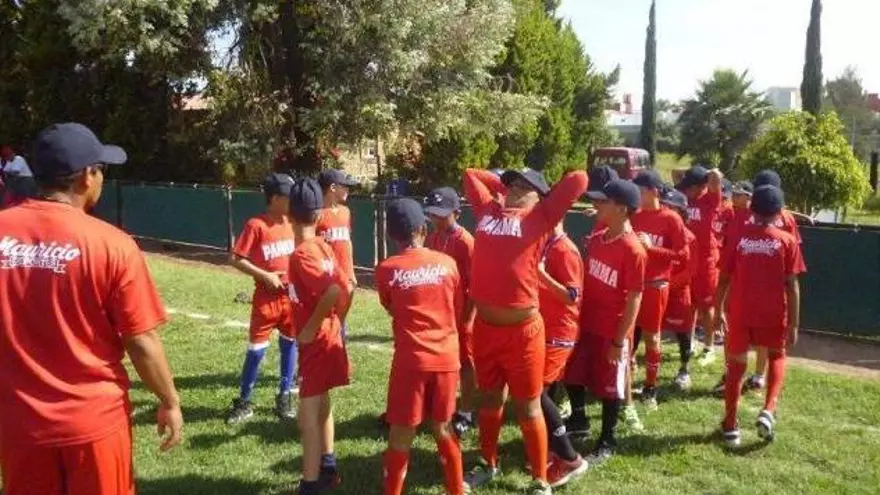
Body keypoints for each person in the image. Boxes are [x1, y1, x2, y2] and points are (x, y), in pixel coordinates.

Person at [0, 122, 183, 494]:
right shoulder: (112, 244)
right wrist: (170, 401)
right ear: (87, 176)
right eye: (101, 169)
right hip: (93, 424)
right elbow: (142, 341)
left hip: (19, 425)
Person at [462, 167, 588, 494]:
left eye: (524, 186)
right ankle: (488, 463)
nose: (516, 190)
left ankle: (539, 478)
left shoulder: (541, 217)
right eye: (512, 185)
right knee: (489, 400)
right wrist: (502, 179)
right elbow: (469, 175)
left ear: (540, 196)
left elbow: (579, 180)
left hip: (523, 333)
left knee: (528, 406)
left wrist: (541, 196)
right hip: (486, 329)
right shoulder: (489, 210)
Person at [377, 198, 466, 495]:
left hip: (411, 362)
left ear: (392, 235)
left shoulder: (387, 269)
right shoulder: (448, 263)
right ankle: (455, 489)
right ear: (422, 228)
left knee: (401, 434)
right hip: (445, 358)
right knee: (443, 427)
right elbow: (456, 306)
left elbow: (391, 307)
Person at [563, 179, 646, 465]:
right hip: (586, 324)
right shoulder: (598, 240)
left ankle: (608, 439)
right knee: (573, 375)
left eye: (604, 201)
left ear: (622, 209)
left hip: (612, 330)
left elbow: (635, 298)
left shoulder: (633, 249)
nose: (597, 205)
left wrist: (619, 341)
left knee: (610, 388)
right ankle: (579, 418)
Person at [714, 185, 802, 446]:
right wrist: (795, 324)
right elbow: (793, 285)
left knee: (736, 366)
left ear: (752, 209)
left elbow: (723, 279)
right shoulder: (786, 240)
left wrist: (718, 310)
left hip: (740, 311)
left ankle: (730, 426)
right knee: (776, 356)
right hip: (773, 313)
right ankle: (768, 409)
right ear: (779, 212)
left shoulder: (739, 237)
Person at [288, 178, 351, 495]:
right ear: (319, 213)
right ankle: (328, 466)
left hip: (316, 343)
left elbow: (333, 290)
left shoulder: (303, 254)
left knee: (307, 416)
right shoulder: (325, 246)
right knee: (323, 402)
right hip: (330, 337)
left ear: (290, 214)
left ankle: (310, 484)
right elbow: (347, 287)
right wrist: (338, 320)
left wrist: (312, 326)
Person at [226, 173, 299, 424]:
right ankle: (244, 401)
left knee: (290, 346)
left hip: (291, 298)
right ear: (275, 198)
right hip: (266, 299)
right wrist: (265, 275)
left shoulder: (294, 223)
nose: (293, 201)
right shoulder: (257, 225)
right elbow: (236, 259)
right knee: (256, 351)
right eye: (289, 197)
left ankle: (284, 396)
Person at [629, 171, 688, 411]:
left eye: (640, 192)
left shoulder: (671, 219)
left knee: (652, 339)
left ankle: (650, 388)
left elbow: (683, 255)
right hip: (633, 286)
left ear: (653, 192)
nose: (636, 197)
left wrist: (652, 249)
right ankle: (624, 385)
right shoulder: (635, 215)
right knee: (627, 337)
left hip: (655, 286)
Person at [423, 186, 478, 438]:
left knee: (466, 363)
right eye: (433, 213)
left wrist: (467, 317)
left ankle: (467, 411)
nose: (436, 218)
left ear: (456, 212)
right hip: (439, 314)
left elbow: (476, 284)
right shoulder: (433, 238)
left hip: (461, 314)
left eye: (441, 214)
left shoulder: (465, 242)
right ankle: (440, 406)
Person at [537, 221, 588, 487]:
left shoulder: (565, 250)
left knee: (535, 394)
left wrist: (540, 274)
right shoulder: (547, 244)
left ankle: (570, 458)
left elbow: (571, 296)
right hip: (546, 327)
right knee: (537, 393)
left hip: (560, 331)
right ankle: (546, 452)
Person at [676, 165, 725, 366]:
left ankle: (709, 347)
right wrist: (692, 172)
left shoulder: (710, 199)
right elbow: (676, 173)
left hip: (707, 259)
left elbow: (716, 177)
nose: (685, 190)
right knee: (690, 304)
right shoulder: (687, 198)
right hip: (689, 257)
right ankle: (691, 342)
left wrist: (708, 174)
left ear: (700, 186)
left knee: (707, 306)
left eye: (690, 186)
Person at [660, 188, 698, 389]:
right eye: (666, 205)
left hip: (677, 294)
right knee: (645, 329)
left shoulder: (689, 237)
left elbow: (690, 271)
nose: (668, 210)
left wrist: (669, 284)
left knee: (682, 333)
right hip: (657, 291)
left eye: (673, 208)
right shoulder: (660, 234)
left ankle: (684, 369)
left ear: (682, 212)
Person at [316, 169, 359, 339]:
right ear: (333, 188)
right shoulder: (318, 214)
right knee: (326, 320)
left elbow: (347, 242)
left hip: (345, 274)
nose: (348, 190)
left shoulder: (345, 212)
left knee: (341, 319)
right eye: (345, 186)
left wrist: (351, 271)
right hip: (326, 275)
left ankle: (339, 351)